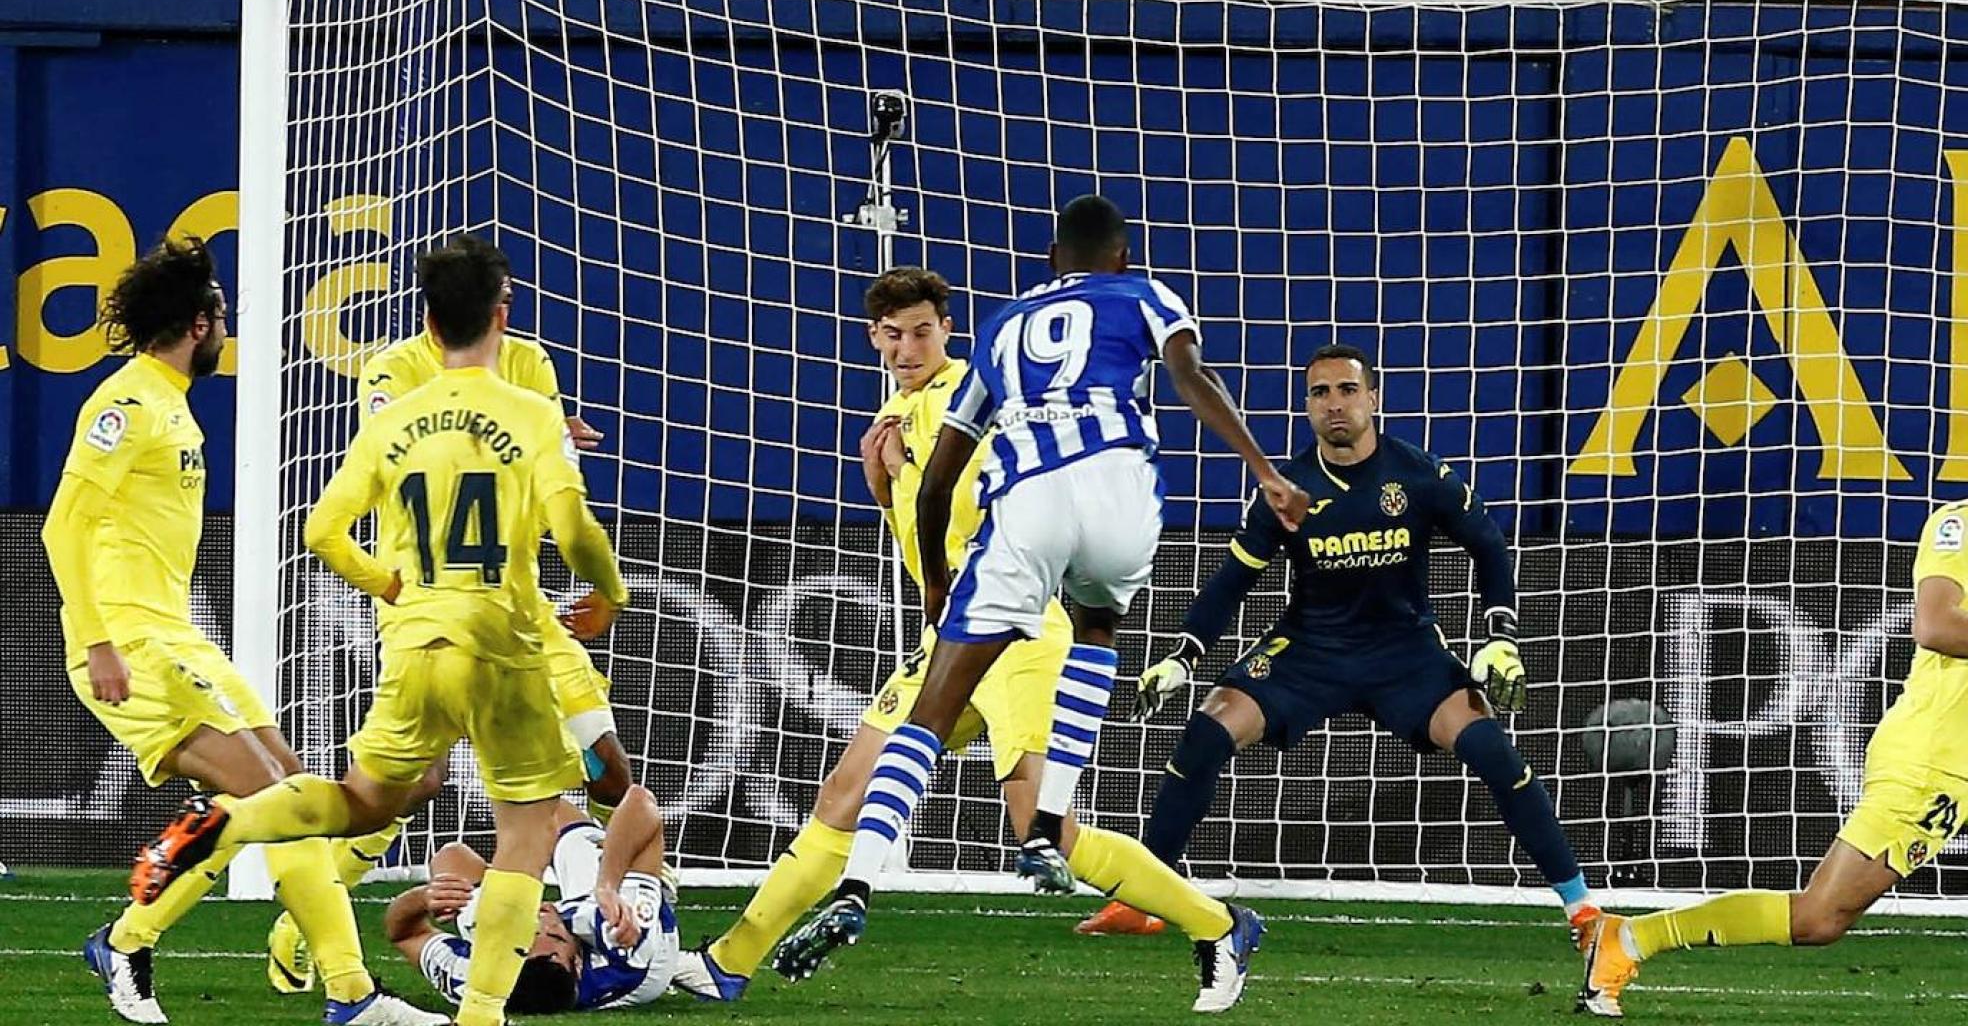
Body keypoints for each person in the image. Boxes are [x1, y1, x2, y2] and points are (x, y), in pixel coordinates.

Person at [777, 195, 1310, 1013]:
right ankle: (743, 952)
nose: (906, 347)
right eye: (891, 334)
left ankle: (1214, 919)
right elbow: (1189, 375)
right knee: (852, 785)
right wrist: (1265, 471)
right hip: (1101, 508)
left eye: (919, 332)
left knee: (1005, 789)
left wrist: (932, 575)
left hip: (1014, 596)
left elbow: (951, 496)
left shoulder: (993, 348)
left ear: (949, 328)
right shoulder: (900, 414)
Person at [132, 235, 630, 1026]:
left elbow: (322, 530)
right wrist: (610, 592)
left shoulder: (403, 418)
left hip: (421, 632)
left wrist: (388, 583)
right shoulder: (512, 407)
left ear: (430, 315)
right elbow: (571, 525)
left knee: (364, 800)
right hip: (502, 636)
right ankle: (482, 1015)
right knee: (528, 828)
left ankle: (231, 819)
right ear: (500, 314)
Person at [1080, 345, 1597, 951]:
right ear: (1307, 406)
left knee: (1490, 748)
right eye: (1320, 393)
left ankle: (1582, 907)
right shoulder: (1287, 489)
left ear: (1373, 398)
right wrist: (1183, 657)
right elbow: (1233, 580)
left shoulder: (1419, 475)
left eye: (1348, 390)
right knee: (1207, 731)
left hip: (1405, 653)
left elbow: (1487, 544)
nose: (1335, 404)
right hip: (1310, 651)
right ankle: (1142, 901)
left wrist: (1501, 637)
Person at [47, 237, 439, 1026]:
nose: (227, 330)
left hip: (179, 638)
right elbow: (63, 527)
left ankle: (342, 992)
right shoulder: (127, 406)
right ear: (199, 324)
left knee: (297, 797)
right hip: (133, 643)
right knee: (269, 794)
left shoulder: (169, 403)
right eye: (222, 316)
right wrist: (97, 642)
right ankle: (144, 945)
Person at [268, 257, 629, 995]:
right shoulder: (391, 372)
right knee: (420, 783)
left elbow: (550, 480)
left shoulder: (531, 364)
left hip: (516, 608)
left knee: (608, 767)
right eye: (502, 298)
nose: (508, 310)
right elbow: (411, 464)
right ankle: (300, 921)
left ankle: (616, 895)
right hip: (423, 604)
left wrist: (552, 441)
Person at [1577, 496, 1968, 1017]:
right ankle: (1629, 938)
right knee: (1818, 918)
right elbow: (1936, 626)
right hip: (1932, 761)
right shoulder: (1958, 524)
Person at [387, 785, 679, 1013]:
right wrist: (608, 885)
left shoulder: (468, 976)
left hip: (523, 938)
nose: (541, 916)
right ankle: (654, 893)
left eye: (526, 935)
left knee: (452, 862)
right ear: (578, 963)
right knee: (553, 813)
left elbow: (403, 934)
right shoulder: (619, 940)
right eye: (554, 935)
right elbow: (641, 800)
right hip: (650, 961)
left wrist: (426, 897)